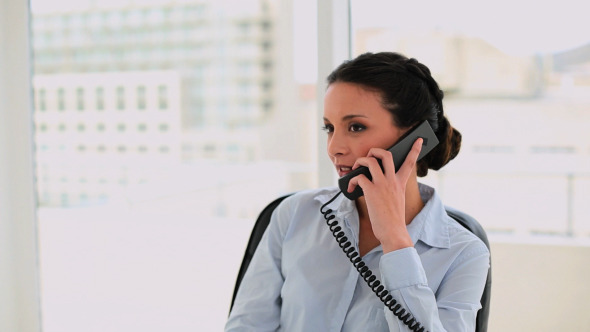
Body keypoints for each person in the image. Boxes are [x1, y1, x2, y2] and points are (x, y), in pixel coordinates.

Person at [225, 52, 490, 331]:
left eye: (356, 127)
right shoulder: (294, 215)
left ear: (416, 140)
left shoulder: (464, 254)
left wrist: (395, 241)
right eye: (329, 128)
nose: (334, 148)